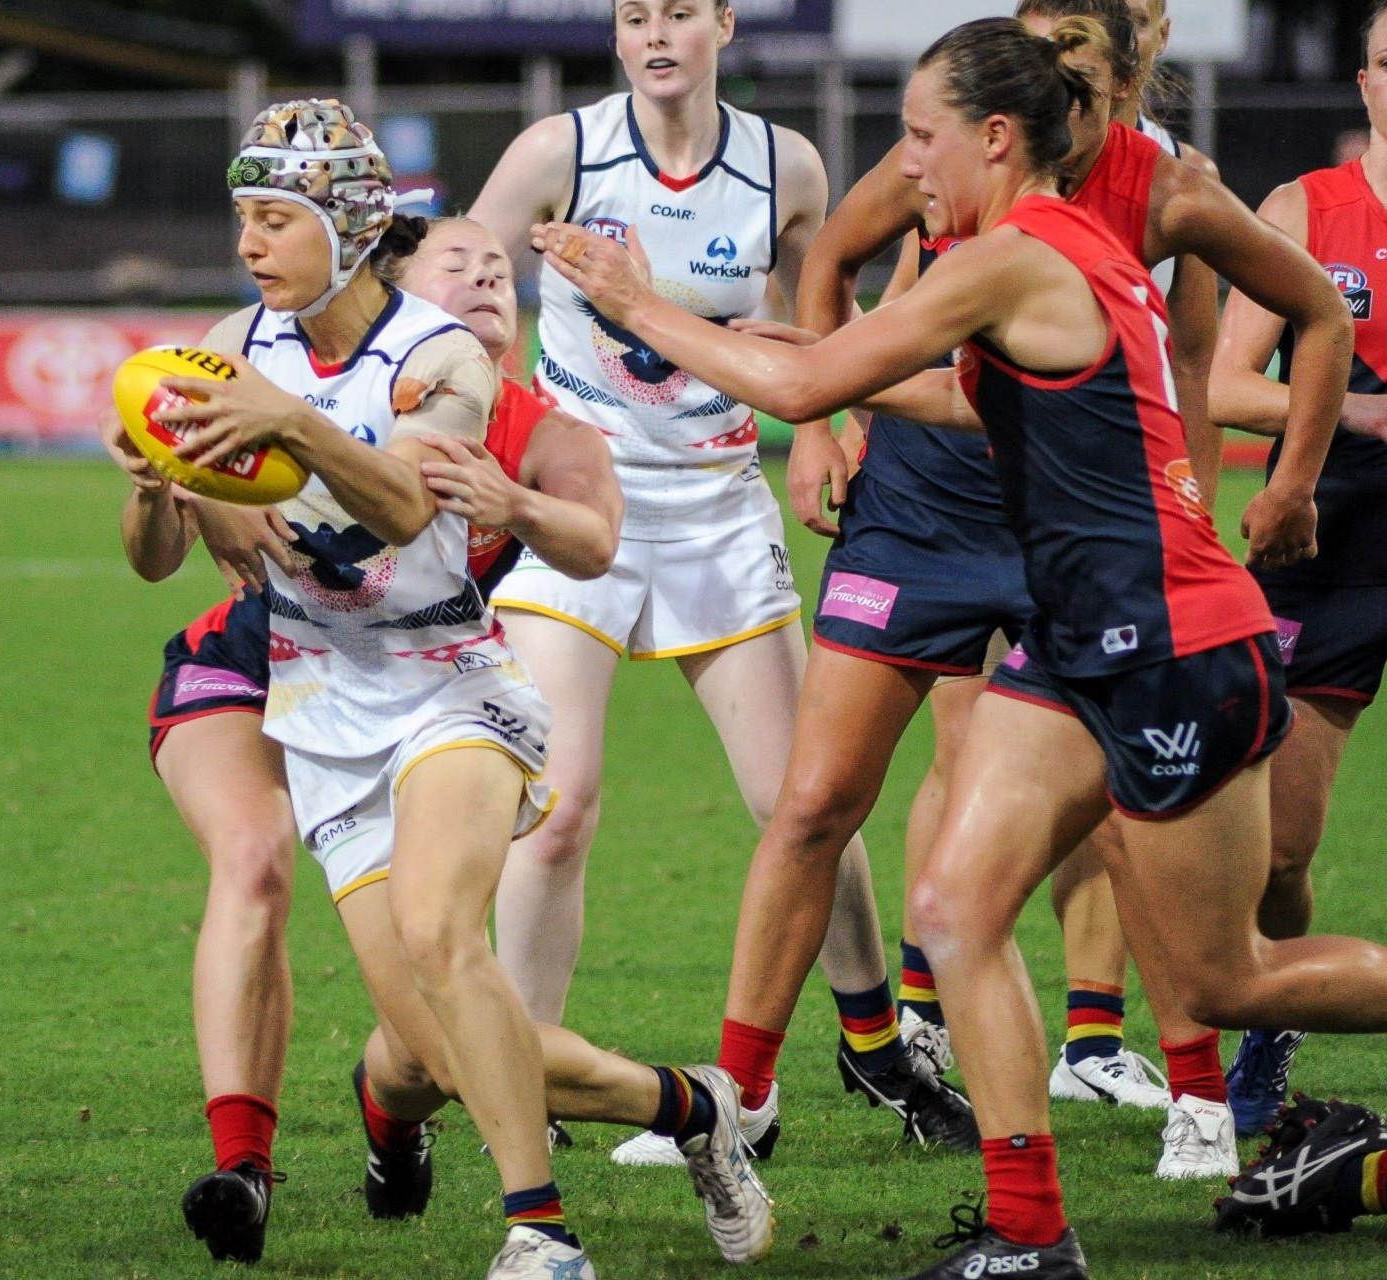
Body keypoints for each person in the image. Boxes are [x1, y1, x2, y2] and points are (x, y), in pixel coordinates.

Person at [536, 16, 1387, 1277]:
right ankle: (1029, 1230)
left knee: (1226, 978)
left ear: (996, 136)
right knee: (954, 903)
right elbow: (941, 390)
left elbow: (798, 396)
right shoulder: (1040, 244)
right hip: (1075, 639)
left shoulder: (1021, 252)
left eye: (924, 136)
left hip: (1171, 643)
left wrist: (636, 301)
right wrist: (813, 357)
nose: (908, 162)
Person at [125, 98, 770, 1279]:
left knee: (437, 926)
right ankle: (692, 1108)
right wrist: (158, 485)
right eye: (243, 219)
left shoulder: (437, 355)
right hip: (318, 695)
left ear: (352, 224)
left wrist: (292, 428)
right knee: (430, 1049)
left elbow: (407, 506)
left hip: (447, 675)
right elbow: (165, 557)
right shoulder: (234, 343)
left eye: (276, 218)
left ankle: (542, 1229)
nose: (250, 243)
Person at [767, 0, 1302, 1181]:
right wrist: (828, 415)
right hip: (953, 515)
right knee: (944, 853)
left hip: (1110, 566)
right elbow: (845, 283)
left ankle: (1180, 1079)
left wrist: (1231, 493)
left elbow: (1197, 366)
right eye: (1040, 49)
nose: (1058, 79)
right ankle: (1002, 1177)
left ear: (1121, 79)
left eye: (1080, 61)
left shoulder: (1145, 196)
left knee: (1174, 893)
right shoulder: (957, 173)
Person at [471, 0, 974, 1169]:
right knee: (559, 808)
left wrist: (832, 427)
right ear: (614, 34)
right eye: (635, 14)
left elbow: (832, 305)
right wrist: (476, 382)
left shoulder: (783, 163)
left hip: (716, 505)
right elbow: (463, 271)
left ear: (724, 25)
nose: (656, 33)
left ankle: (872, 1037)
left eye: (680, 12)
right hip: (580, 506)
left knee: (807, 799)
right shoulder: (562, 152)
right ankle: (528, 1062)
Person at [117, 213, 625, 1264]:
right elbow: (160, 538)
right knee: (253, 859)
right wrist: (183, 492)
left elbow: (589, 543)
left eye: (500, 267)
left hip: (411, 677)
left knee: (428, 1036)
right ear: (386, 280)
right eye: (458, 264)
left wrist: (518, 503)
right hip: (266, 655)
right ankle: (243, 1166)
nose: (488, 281)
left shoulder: (532, 421)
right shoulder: (264, 355)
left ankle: (428, 1122)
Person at [1211, 0, 1387, 1139]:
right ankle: (1277, 1011)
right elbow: (1226, 386)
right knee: (1277, 848)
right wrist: (1359, 410)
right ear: (1365, 79)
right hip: (1332, 547)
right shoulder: (1300, 212)